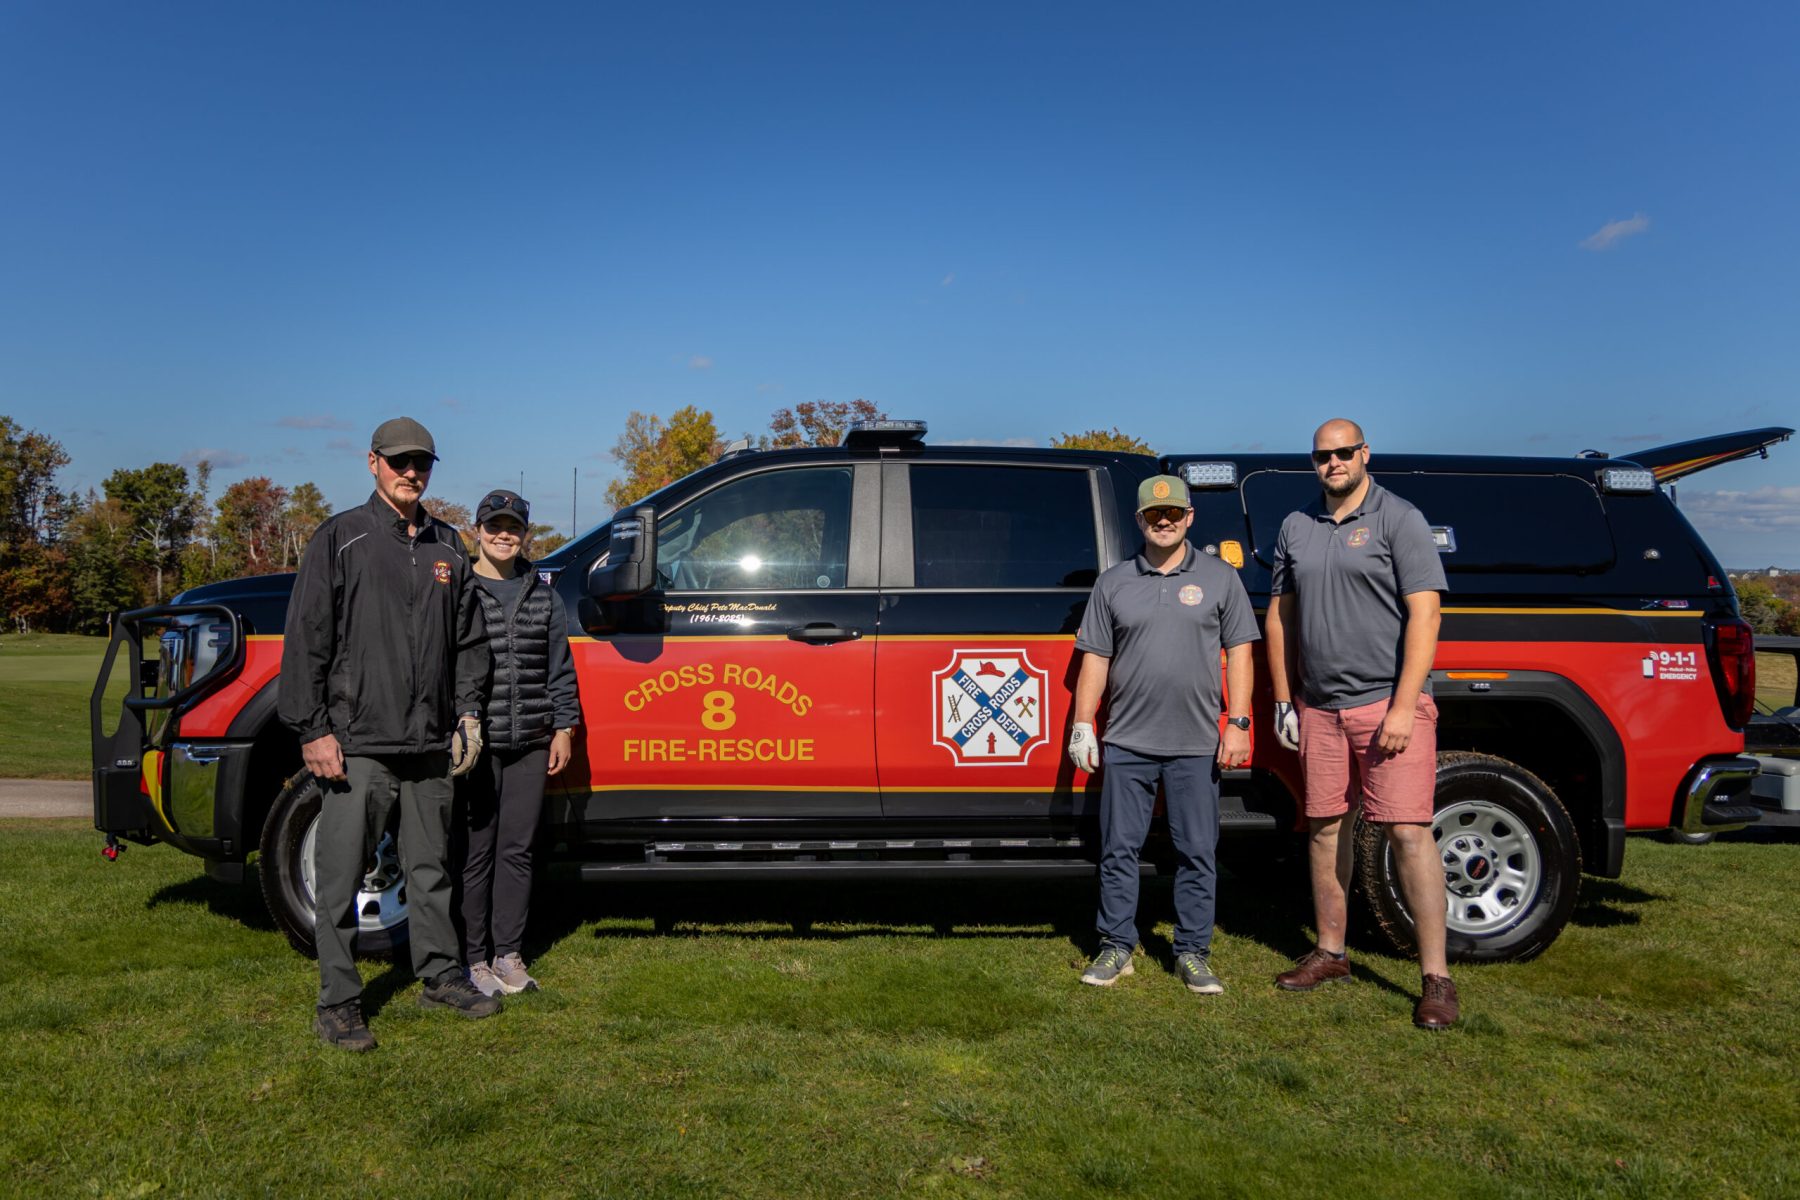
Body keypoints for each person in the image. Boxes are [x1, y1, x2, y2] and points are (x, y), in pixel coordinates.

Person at [279, 416, 499, 1052]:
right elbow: (307, 640)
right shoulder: (340, 537)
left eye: (421, 463)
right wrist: (313, 730)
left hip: (431, 745)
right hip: (358, 744)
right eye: (399, 461)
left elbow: (469, 641)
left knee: (431, 869)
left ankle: (440, 976)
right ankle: (339, 1001)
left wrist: (467, 713)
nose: (411, 472)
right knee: (341, 877)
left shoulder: (448, 545)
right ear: (372, 461)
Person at [1262, 418, 1458, 1029]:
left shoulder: (1399, 518)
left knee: (1407, 832)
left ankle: (1437, 978)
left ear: (1364, 453)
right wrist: (1285, 701)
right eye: (1322, 455)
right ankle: (1331, 953)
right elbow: (1279, 617)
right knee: (1325, 830)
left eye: (1344, 452)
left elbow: (1426, 614)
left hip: (1385, 704)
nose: (1334, 463)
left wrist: (1403, 704)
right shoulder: (1296, 525)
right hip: (1318, 708)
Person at [1068, 474, 1258, 994]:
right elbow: (1096, 658)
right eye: (1154, 514)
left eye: (1174, 512)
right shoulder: (1113, 583)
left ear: (1189, 517)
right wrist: (1083, 724)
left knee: (1197, 852)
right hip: (1127, 740)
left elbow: (1241, 652)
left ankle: (1192, 951)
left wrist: (1238, 722)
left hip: (1196, 743)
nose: (1165, 521)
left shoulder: (1221, 578)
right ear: (1140, 520)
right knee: (1118, 850)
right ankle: (1116, 945)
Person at [458, 488, 581, 997]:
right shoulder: (459, 589)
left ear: (525, 535)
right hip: (478, 744)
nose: (504, 535)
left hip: (531, 739)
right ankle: (474, 958)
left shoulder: (543, 595)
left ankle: (507, 954)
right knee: (476, 851)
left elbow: (559, 668)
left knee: (517, 850)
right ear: (478, 531)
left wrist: (564, 728)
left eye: (513, 528)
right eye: (495, 526)